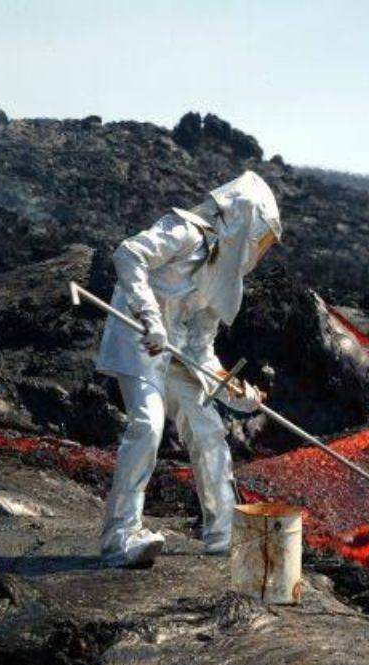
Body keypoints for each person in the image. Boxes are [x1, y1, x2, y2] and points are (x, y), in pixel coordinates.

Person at [94, 170, 281, 567]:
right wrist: (150, 317)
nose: (259, 251)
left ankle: (224, 533)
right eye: (261, 238)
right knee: (147, 424)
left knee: (208, 428)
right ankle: (120, 537)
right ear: (245, 221)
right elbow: (129, 254)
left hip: (176, 353)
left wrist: (235, 392)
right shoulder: (185, 230)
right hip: (140, 338)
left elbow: (201, 346)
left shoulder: (226, 279)